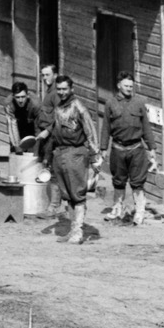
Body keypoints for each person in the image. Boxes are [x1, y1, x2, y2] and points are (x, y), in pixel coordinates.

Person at [42, 74, 103, 244]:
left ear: (71, 89)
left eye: (64, 89)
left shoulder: (78, 107)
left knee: (77, 194)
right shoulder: (58, 108)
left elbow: (90, 131)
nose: (61, 92)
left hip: (76, 153)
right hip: (60, 153)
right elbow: (54, 133)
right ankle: (72, 229)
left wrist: (95, 156)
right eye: (59, 89)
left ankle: (78, 231)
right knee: (67, 194)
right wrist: (48, 155)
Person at [102, 73, 154, 228]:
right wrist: (103, 148)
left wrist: (152, 148)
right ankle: (117, 209)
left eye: (131, 86)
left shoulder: (139, 103)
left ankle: (139, 212)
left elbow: (146, 127)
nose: (129, 89)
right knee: (118, 181)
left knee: (138, 182)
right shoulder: (110, 104)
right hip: (118, 149)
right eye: (126, 86)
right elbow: (105, 128)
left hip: (136, 149)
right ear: (119, 85)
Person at [5, 81, 43, 155]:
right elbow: (12, 127)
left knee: (34, 154)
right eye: (17, 97)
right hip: (18, 126)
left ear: (27, 95)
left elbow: (38, 128)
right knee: (16, 154)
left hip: (31, 127)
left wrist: (36, 152)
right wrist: (18, 149)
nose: (20, 100)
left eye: (23, 97)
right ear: (13, 96)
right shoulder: (9, 104)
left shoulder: (36, 104)